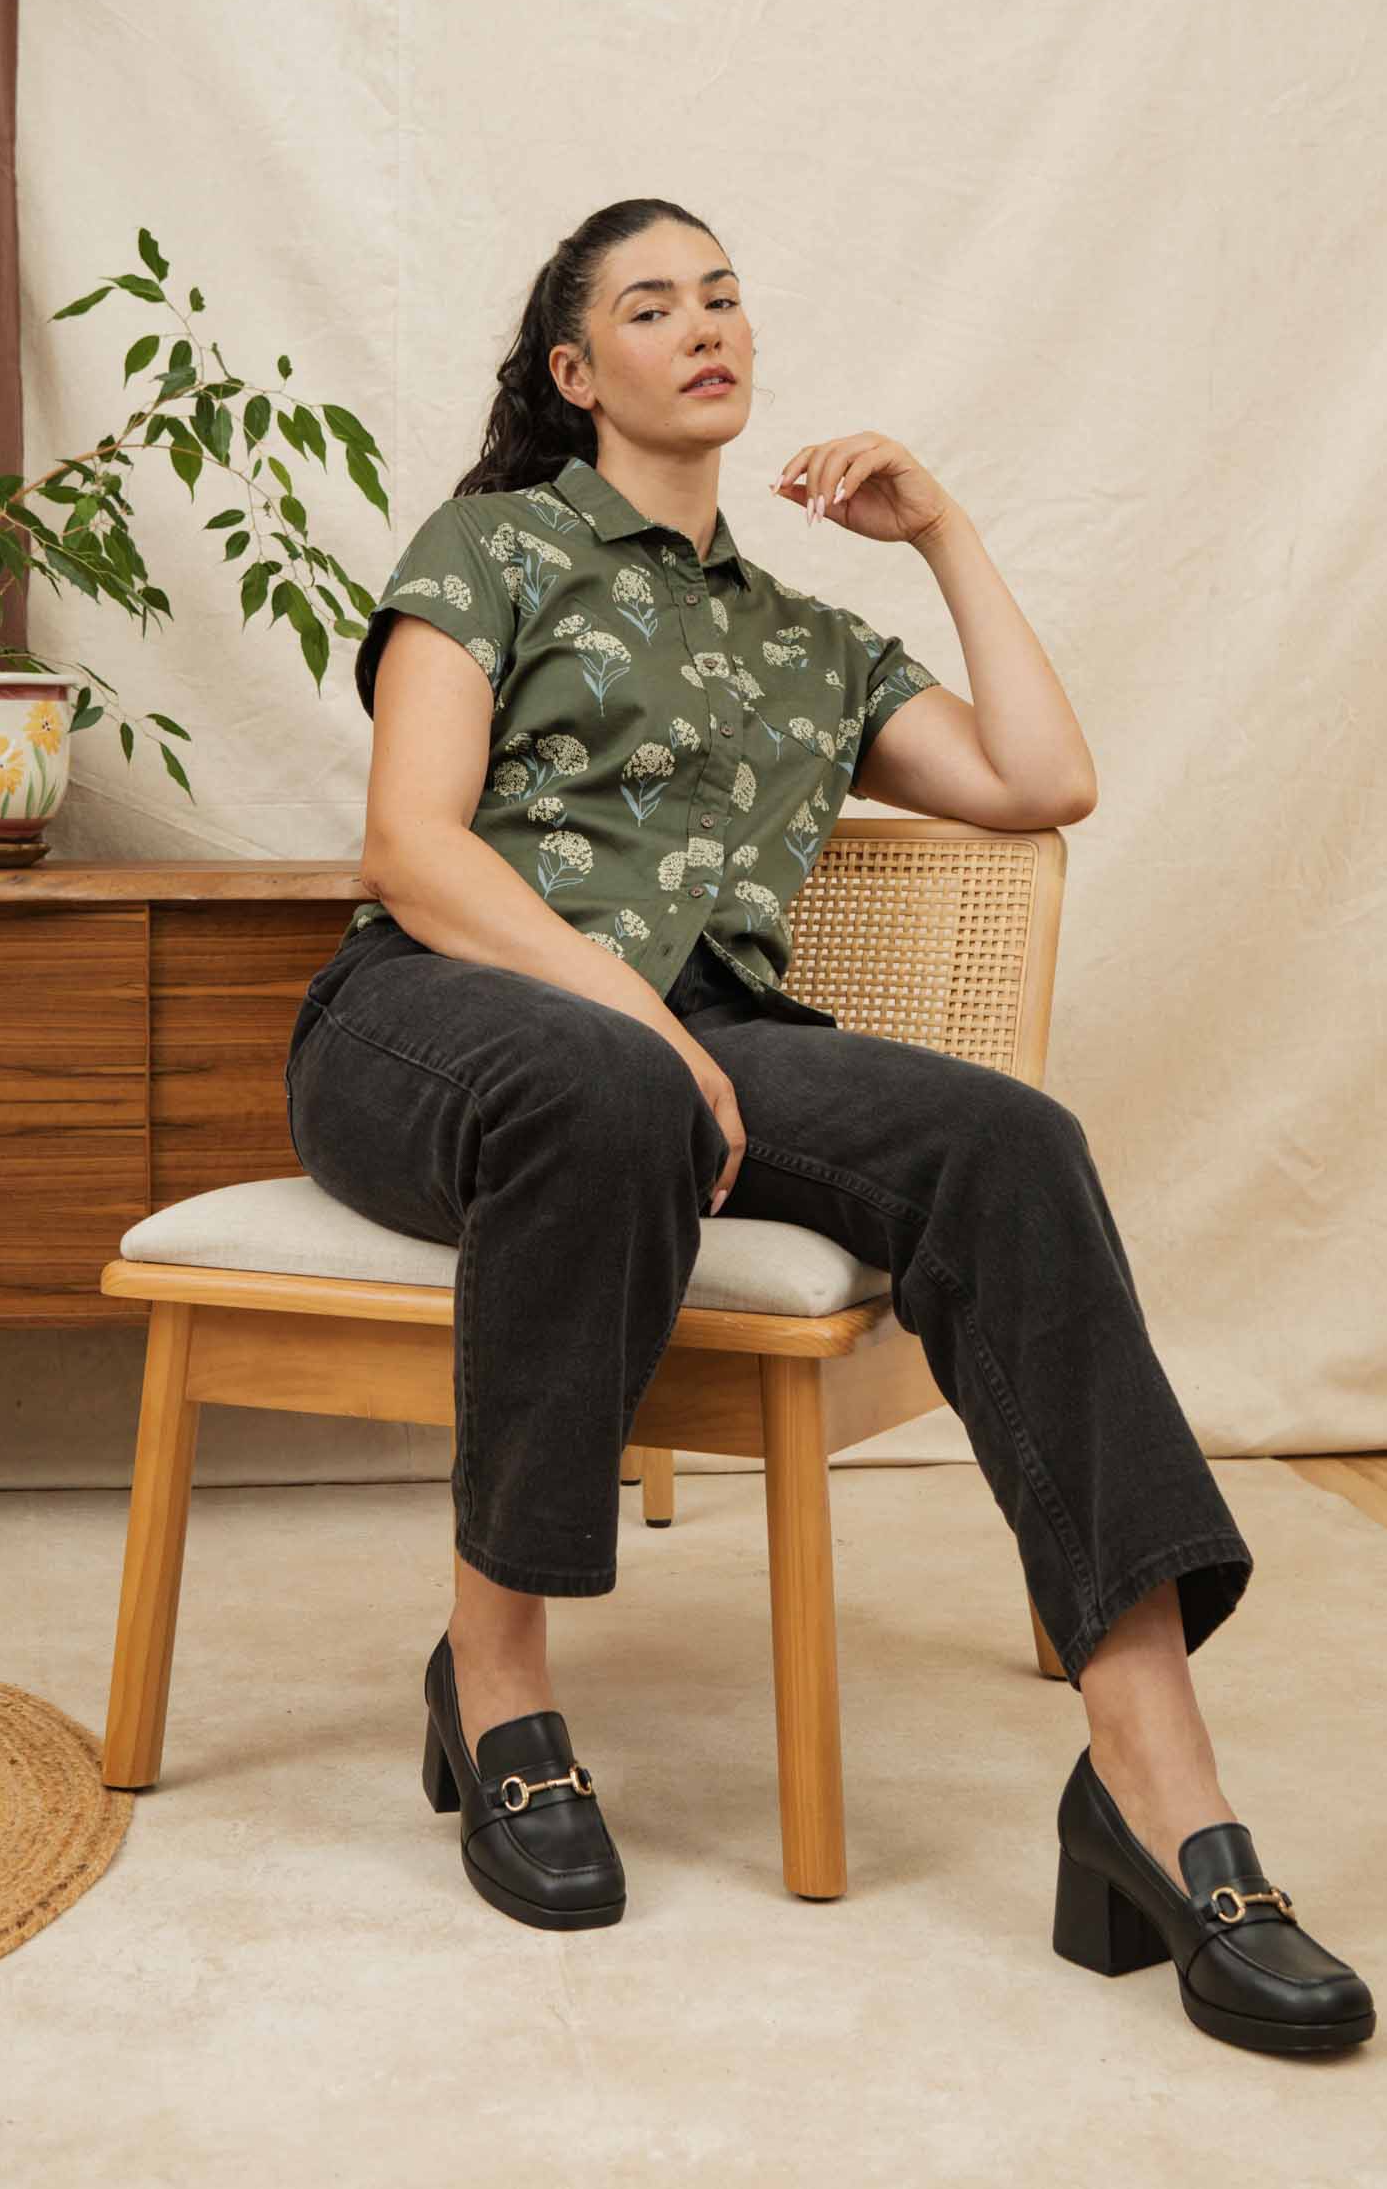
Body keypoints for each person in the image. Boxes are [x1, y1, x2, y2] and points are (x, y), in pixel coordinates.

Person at [284, 199, 1373, 2048]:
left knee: (1008, 1139)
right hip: (435, 1020)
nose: (703, 323)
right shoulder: (497, 544)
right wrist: (635, 1014)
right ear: (576, 372)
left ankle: (1156, 1788)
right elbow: (410, 843)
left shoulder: (806, 639)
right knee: (605, 1078)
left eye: (723, 295)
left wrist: (941, 529)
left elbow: (1045, 779)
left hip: (703, 1045)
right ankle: (498, 1681)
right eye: (650, 304)